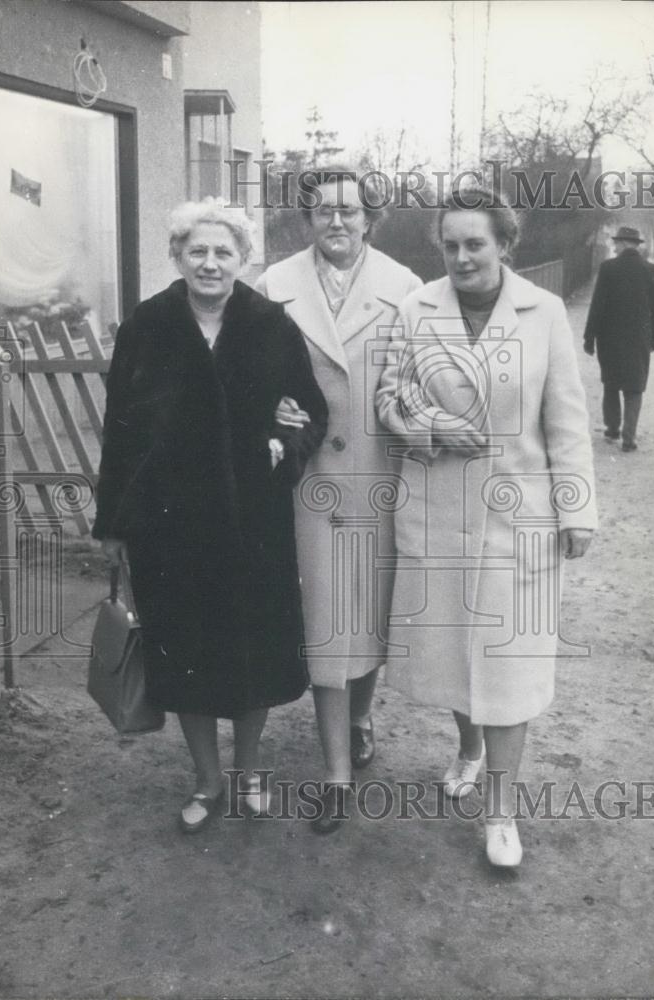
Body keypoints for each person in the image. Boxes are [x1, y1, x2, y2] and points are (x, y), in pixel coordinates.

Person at [376, 186, 597, 866]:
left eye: (475, 243)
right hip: (438, 508)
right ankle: (467, 747)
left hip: (516, 514)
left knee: (508, 663)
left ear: (505, 244)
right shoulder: (416, 309)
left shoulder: (544, 312)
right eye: (450, 245)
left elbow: (565, 416)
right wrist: (431, 427)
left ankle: (500, 812)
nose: (462, 257)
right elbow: (388, 397)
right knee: (453, 658)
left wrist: (576, 507)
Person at [92, 202, 328, 833]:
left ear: (242, 259)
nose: (210, 263)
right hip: (168, 527)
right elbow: (118, 432)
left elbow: (310, 409)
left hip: (253, 522)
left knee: (252, 655)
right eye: (197, 251)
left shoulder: (270, 325)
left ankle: (250, 774)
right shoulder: (148, 326)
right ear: (177, 257)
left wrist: (286, 445)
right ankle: (206, 780)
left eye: (223, 252)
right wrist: (112, 524)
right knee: (186, 655)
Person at [255, 166, 422, 833]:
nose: (336, 222)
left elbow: (417, 380)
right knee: (326, 617)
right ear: (306, 218)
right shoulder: (274, 285)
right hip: (311, 479)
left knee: (371, 614)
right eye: (323, 211)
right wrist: (274, 408)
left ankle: (359, 718)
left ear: (368, 218)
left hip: (381, 476)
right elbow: (253, 378)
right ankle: (334, 776)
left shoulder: (403, 286)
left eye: (349, 211)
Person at [583, 226, 654, 452]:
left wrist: (589, 337)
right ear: (636, 245)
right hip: (639, 338)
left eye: (617, 242)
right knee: (634, 387)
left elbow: (597, 306)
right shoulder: (652, 270)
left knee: (611, 383)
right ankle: (629, 438)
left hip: (609, 338)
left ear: (624, 244)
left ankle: (612, 429)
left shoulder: (608, 268)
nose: (615, 246)